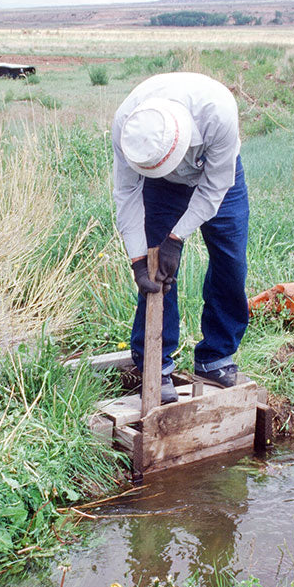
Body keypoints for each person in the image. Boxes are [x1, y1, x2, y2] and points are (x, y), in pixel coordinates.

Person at [112, 71, 249, 404]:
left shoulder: (217, 112)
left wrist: (177, 237)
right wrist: (137, 259)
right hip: (160, 188)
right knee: (157, 274)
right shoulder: (128, 127)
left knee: (231, 260)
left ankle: (214, 357)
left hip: (218, 173)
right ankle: (154, 365)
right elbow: (127, 193)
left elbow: (215, 187)